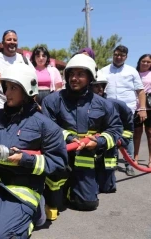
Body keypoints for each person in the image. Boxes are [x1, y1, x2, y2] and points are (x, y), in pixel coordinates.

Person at [0, 63, 68, 238]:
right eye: (6, 87)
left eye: (13, 88)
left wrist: (24, 160)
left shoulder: (44, 125)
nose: (7, 93)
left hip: (23, 186)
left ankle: (32, 216)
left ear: (27, 90)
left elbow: (58, 163)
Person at [42, 54, 122, 217]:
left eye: (80, 74)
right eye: (71, 74)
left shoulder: (103, 104)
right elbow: (47, 127)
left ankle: (75, 187)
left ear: (90, 77)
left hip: (86, 159)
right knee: (55, 200)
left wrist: (99, 142)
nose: (74, 78)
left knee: (87, 204)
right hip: (61, 157)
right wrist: (69, 138)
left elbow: (115, 128)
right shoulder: (52, 101)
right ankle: (58, 188)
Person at [100, 45, 146, 176]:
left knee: (127, 137)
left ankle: (129, 163)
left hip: (127, 109)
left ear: (126, 57)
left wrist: (142, 109)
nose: (118, 57)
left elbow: (140, 91)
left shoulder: (131, 71)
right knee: (110, 135)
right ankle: (112, 163)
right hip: (109, 109)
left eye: (122, 55)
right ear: (113, 54)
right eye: (116, 54)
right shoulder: (104, 71)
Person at [91, 70, 134, 192]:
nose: (99, 89)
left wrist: (123, 139)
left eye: (101, 85)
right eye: (96, 85)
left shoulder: (116, 104)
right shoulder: (82, 105)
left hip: (109, 148)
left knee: (108, 187)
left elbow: (128, 124)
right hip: (90, 148)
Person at [0, 30, 36, 109]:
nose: (12, 42)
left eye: (15, 40)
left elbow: (33, 82)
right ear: (2, 43)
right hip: (0, 106)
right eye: (9, 39)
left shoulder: (25, 60)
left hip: (22, 108)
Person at [133, 54, 151, 168]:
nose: (145, 63)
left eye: (148, 62)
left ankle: (150, 159)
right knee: (137, 133)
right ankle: (135, 157)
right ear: (139, 62)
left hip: (149, 108)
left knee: (150, 133)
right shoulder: (134, 73)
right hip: (136, 108)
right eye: (143, 61)